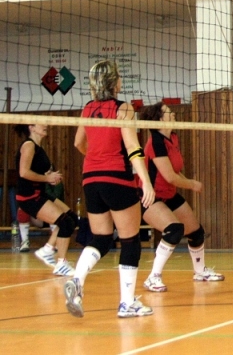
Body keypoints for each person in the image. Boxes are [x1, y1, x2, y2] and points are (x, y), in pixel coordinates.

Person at [65, 59, 155, 318]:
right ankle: (127, 303)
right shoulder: (123, 108)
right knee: (130, 240)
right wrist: (146, 181)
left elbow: (78, 143)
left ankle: (77, 279)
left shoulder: (88, 108)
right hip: (116, 177)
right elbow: (132, 147)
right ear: (116, 82)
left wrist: (96, 158)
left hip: (91, 179)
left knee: (101, 238)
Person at [138, 101, 224, 293]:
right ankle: (153, 277)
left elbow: (175, 172)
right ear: (160, 119)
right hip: (150, 197)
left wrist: (187, 181)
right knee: (174, 230)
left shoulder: (173, 138)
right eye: (169, 112)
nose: (173, 114)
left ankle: (200, 272)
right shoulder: (156, 142)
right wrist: (192, 184)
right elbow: (169, 176)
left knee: (196, 232)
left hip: (169, 194)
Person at [14, 124, 76, 275]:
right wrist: (47, 178)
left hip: (40, 193)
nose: (45, 125)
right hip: (29, 196)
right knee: (65, 222)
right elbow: (24, 172)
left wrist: (51, 177)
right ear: (32, 127)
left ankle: (47, 250)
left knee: (72, 218)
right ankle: (61, 263)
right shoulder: (28, 145)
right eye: (41, 123)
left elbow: (37, 171)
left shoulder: (39, 148)